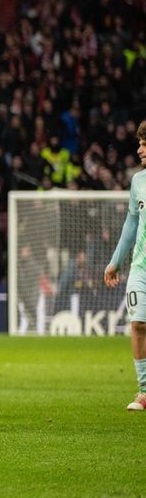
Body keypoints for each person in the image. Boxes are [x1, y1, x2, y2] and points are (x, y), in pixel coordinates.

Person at [103, 120, 146, 411]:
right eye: (140, 143)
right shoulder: (138, 182)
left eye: (144, 144)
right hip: (141, 268)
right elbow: (131, 223)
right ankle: (144, 391)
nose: (139, 149)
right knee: (139, 324)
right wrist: (115, 262)